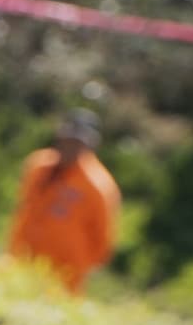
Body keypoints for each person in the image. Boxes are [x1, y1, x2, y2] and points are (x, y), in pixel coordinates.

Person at [6, 115, 121, 295]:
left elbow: (103, 240)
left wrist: (76, 265)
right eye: (66, 139)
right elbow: (23, 206)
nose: (69, 146)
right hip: (22, 261)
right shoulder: (38, 164)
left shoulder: (98, 185)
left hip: (64, 278)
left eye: (76, 142)